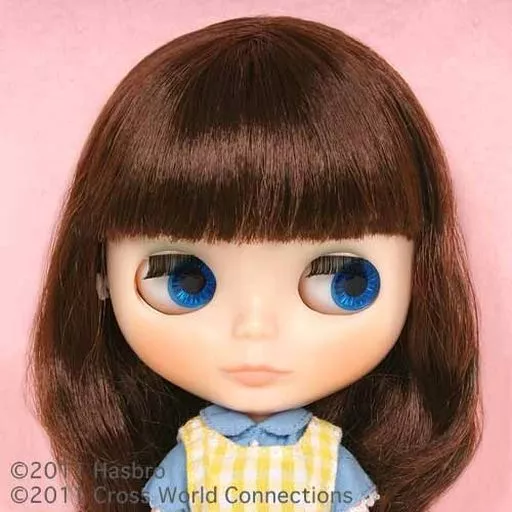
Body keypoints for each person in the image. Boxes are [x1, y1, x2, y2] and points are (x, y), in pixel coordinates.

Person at [29, 15, 481, 512]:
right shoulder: (193, 454)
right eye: (185, 280)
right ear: (100, 275)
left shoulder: (326, 456)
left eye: (343, 281)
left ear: (418, 275)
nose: (255, 330)